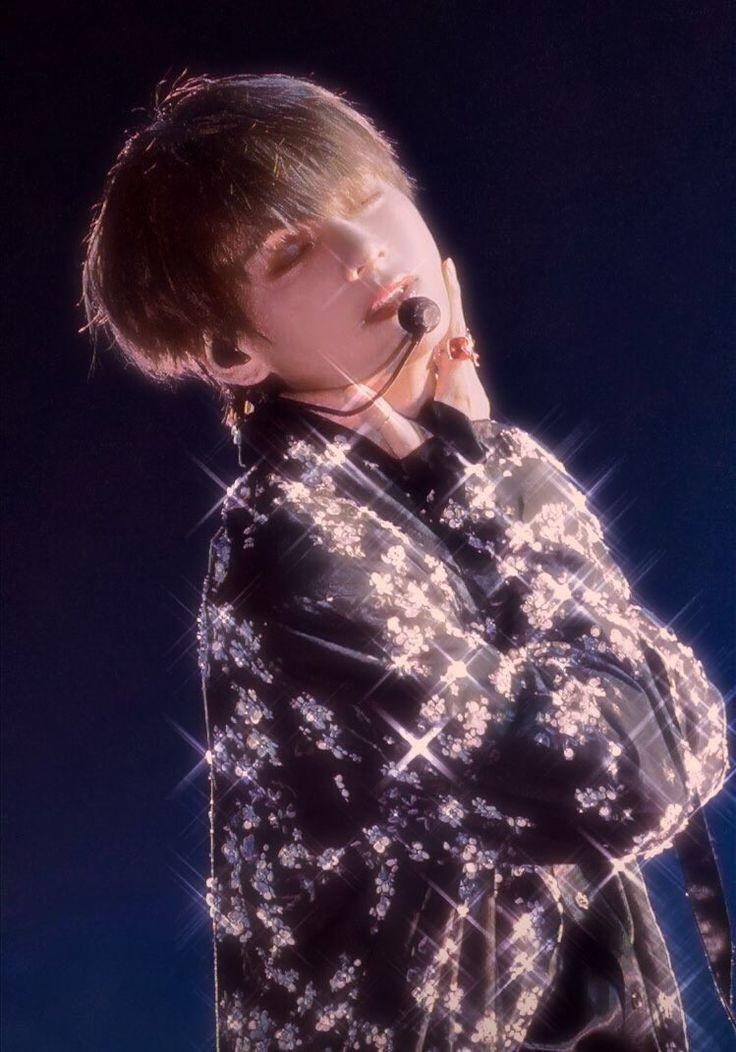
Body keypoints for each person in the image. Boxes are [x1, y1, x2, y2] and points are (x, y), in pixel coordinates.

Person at [82, 72, 731, 1051]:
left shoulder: (444, 474)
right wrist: (503, 486)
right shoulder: (294, 546)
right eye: (291, 250)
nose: (365, 250)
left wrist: (482, 471)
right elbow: (634, 778)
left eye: (364, 197)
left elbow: (686, 739)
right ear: (233, 353)